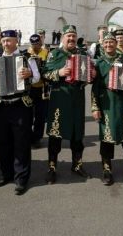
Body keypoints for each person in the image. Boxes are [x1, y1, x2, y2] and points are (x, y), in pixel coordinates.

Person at [0, 30, 38, 195]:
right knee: (3, 142)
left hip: (20, 105)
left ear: (16, 41)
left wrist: (30, 73)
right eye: (3, 41)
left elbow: (38, 77)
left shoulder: (27, 58)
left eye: (9, 41)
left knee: (21, 143)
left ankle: (21, 179)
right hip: (2, 105)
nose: (5, 44)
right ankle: (6, 174)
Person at [91, 32, 123, 185]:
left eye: (111, 42)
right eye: (106, 43)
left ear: (116, 43)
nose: (108, 45)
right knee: (106, 140)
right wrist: (95, 107)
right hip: (106, 104)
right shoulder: (98, 64)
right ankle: (107, 171)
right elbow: (95, 88)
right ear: (102, 45)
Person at [43, 25, 90, 184]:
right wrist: (59, 73)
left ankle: (77, 164)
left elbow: (89, 72)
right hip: (59, 98)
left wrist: (91, 75)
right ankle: (52, 167)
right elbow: (45, 74)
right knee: (56, 135)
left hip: (77, 99)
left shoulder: (82, 53)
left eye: (73, 36)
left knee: (77, 135)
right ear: (62, 38)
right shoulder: (54, 54)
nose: (71, 39)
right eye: (68, 36)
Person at [27, 34, 49, 148]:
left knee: (40, 115)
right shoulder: (27, 53)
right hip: (30, 88)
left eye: (37, 44)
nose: (35, 46)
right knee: (28, 114)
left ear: (40, 43)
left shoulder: (46, 52)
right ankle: (29, 135)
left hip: (42, 88)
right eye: (33, 44)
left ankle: (37, 138)